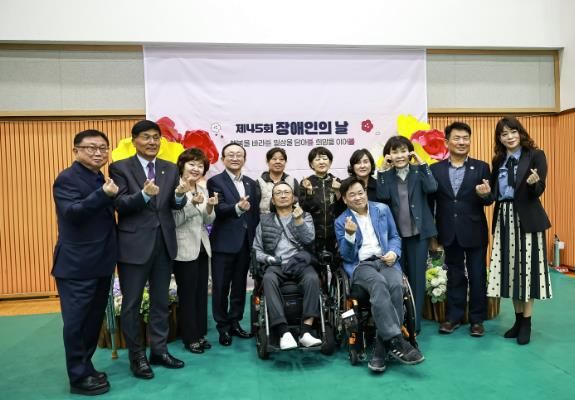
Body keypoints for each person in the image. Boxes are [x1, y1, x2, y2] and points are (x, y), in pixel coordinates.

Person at [109, 120, 188, 379]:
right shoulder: (120, 167)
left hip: (164, 244)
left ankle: (159, 351)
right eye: (146, 137)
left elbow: (173, 204)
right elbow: (120, 204)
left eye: (156, 137)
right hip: (134, 246)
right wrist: (143, 195)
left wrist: (179, 196)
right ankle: (137, 357)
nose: (152, 142)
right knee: (131, 304)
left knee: (160, 301)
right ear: (134, 140)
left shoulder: (169, 168)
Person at [335, 177, 424, 374]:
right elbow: (347, 256)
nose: (358, 197)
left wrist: (394, 252)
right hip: (362, 265)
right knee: (378, 283)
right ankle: (396, 340)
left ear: (366, 193)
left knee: (396, 286)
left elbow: (394, 237)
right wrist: (349, 235)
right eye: (352, 195)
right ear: (345, 199)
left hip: (386, 260)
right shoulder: (341, 221)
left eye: (360, 193)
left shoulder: (382, 209)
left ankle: (381, 350)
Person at [52, 130, 118, 395]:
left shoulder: (98, 177)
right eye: (91, 148)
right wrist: (102, 194)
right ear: (76, 150)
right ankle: (78, 378)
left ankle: (86, 367)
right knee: (77, 323)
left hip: (101, 263)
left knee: (92, 322)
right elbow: (72, 213)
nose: (98, 153)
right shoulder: (67, 179)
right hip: (77, 266)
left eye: (103, 148)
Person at [486, 116, 552, 345]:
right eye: (504, 134)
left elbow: (539, 189)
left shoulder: (535, 155)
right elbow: (493, 193)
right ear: (499, 138)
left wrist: (534, 183)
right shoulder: (498, 160)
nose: (509, 137)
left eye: (513, 132)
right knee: (511, 271)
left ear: (520, 132)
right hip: (504, 218)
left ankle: (527, 323)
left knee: (527, 271)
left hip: (527, 219)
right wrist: (485, 193)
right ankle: (517, 320)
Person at [429, 122, 494, 337]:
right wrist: (433, 235)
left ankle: (477, 320)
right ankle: (453, 318)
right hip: (448, 230)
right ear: (447, 142)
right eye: (457, 138)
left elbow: (490, 199)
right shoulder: (435, 170)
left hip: (475, 230)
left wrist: (485, 195)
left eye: (466, 138)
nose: (462, 142)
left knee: (477, 276)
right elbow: (431, 203)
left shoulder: (482, 167)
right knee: (454, 275)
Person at [377, 136, 438, 332]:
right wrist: (383, 170)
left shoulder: (418, 172)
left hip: (418, 235)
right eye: (394, 152)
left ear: (410, 152)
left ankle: (415, 322)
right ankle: (400, 320)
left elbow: (432, 187)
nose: (399, 155)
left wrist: (422, 163)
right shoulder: (387, 175)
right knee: (397, 279)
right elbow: (382, 195)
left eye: (403, 150)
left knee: (417, 279)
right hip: (396, 237)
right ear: (388, 155)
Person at [253, 182, 323, 350]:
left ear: (293, 198)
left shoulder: (305, 216)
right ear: (273, 199)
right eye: (278, 193)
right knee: (268, 278)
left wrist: (299, 221)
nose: (283, 195)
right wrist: (270, 259)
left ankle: (306, 331)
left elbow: (309, 240)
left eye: (286, 192)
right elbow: (257, 250)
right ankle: (283, 332)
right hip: (276, 264)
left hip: (300, 263)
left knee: (312, 278)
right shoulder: (264, 221)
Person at [207, 143, 260, 346]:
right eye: (231, 155)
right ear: (223, 159)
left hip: (245, 243)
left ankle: (235, 322)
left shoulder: (251, 183)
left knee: (239, 287)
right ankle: (223, 327)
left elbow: (254, 214)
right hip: (223, 243)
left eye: (239, 155)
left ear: (244, 159)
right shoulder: (215, 181)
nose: (235, 158)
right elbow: (218, 209)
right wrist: (237, 208)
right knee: (220, 287)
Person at [172, 148, 218, 354]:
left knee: (201, 293)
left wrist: (210, 207)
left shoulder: (202, 189)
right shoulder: (176, 189)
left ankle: (200, 334)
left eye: (200, 166)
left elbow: (208, 220)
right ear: (182, 166)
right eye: (192, 164)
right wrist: (192, 205)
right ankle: (190, 338)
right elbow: (175, 220)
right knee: (188, 294)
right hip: (183, 248)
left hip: (202, 247)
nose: (196, 169)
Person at [299, 146, 343, 254]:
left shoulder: (337, 181)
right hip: (313, 234)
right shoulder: (306, 182)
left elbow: (342, 208)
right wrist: (309, 192)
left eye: (324, 158)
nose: (321, 162)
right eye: (317, 159)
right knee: (315, 261)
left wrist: (337, 191)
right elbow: (303, 209)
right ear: (311, 164)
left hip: (335, 234)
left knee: (335, 261)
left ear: (330, 162)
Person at [256, 147, 300, 214]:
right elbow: (255, 206)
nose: (278, 162)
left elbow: (298, 202)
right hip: (265, 219)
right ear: (267, 161)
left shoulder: (292, 181)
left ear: (285, 162)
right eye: (274, 159)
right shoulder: (260, 182)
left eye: (281, 159)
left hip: (289, 219)